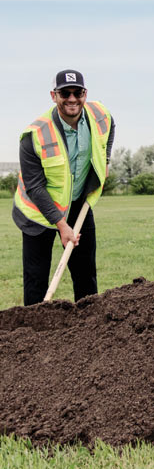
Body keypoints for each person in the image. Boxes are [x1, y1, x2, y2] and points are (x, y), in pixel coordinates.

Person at [13, 69, 115, 305]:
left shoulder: (99, 114)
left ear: (84, 93)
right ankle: (34, 332)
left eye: (77, 92)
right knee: (36, 279)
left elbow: (111, 129)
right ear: (53, 95)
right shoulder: (34, 135)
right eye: (64, 93)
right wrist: (61, 225)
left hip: (78, 204)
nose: (72, 99)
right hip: (37, 213)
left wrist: (106, 160)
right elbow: (35, 187)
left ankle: (89, 328)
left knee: (86, 275)